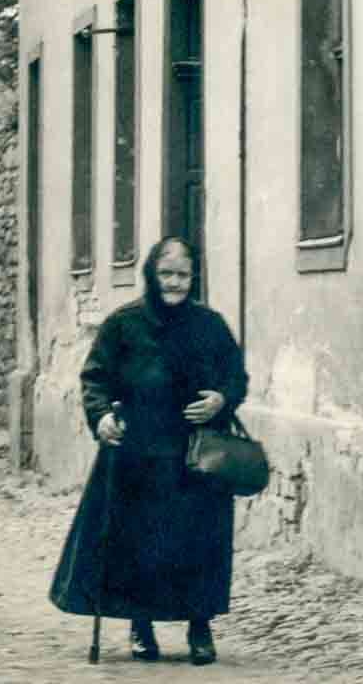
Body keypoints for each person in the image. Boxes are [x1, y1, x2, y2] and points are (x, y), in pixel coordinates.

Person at [49, 238, 249, 665]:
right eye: (167, 274)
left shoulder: (211, 325)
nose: (175, 283)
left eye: (183, 275)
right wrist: (102, 416)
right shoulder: (124, 324)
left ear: (194, 278)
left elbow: (236, 376)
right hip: (139, 454)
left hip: (197, 456)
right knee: (138, 542)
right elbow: (95, 378)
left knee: (199, 543)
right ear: (152, 276)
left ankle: (200, 627)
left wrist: (221, 399)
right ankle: (141, 627)